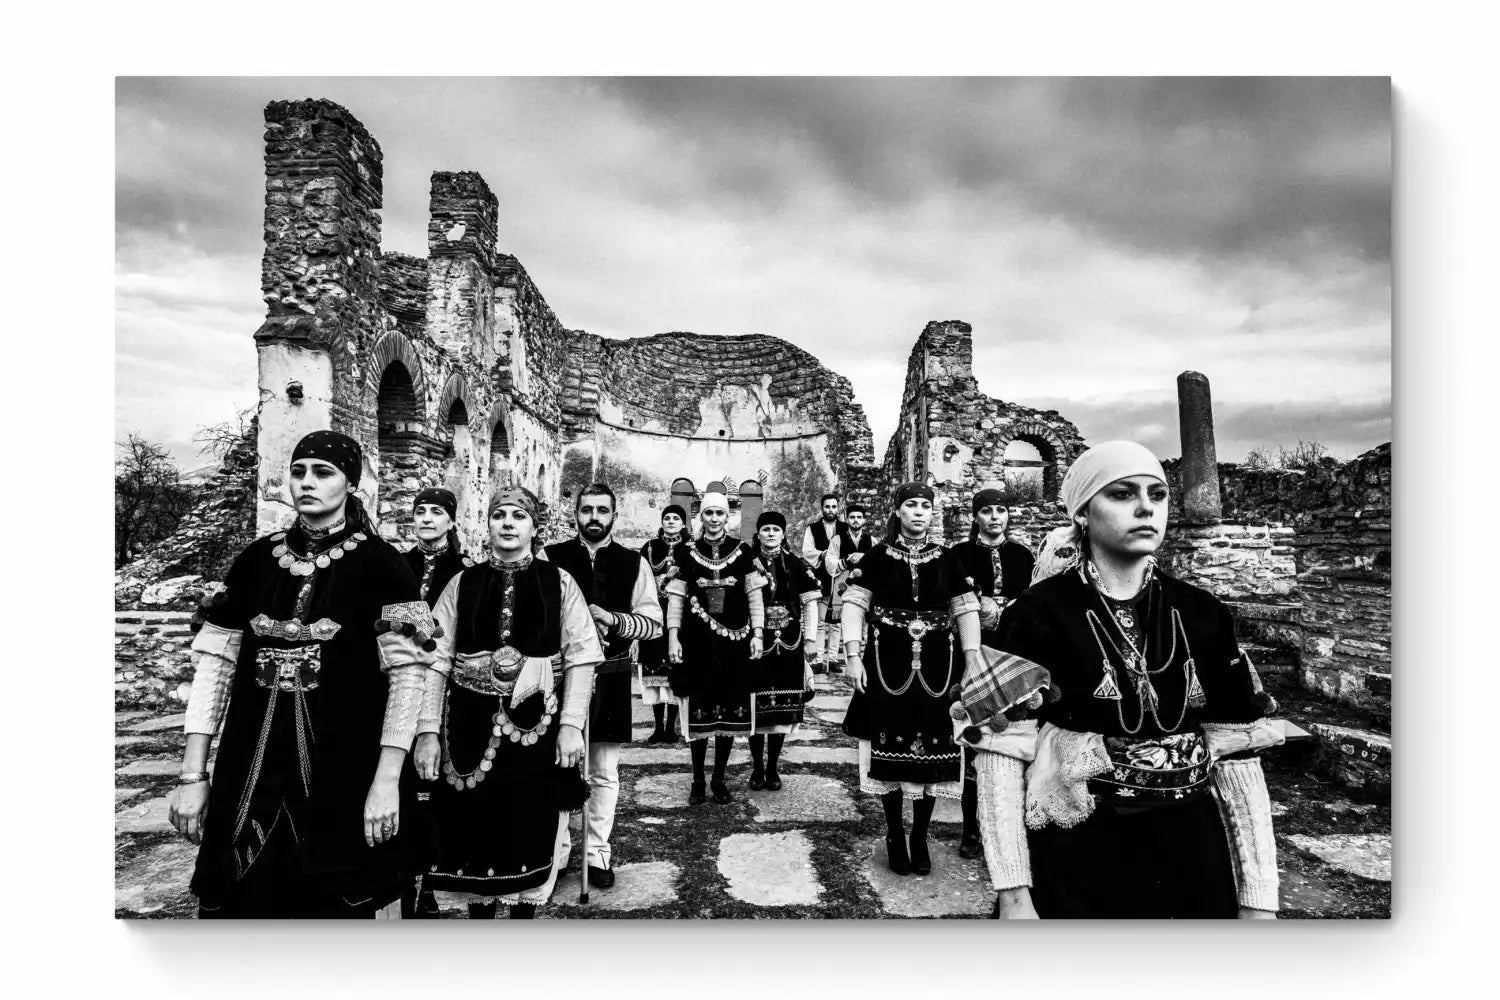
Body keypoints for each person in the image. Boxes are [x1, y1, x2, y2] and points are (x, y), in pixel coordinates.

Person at [958, 441, 1282, 919]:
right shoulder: (1036, 613)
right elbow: (1002, 752)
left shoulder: (1203, 613)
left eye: (1158, 494)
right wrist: (1013, 892)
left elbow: (1238, 750)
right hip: (1079, 844)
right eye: (1122, 494)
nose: (1146, 507)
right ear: (1084, 512)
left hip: (1192, 847)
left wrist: (1259, 899)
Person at [169, 430, 433, 918]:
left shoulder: (383, 566)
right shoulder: (254, 561)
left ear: (351, 484)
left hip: (344, 770)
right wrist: (192, 774)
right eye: (298, 471)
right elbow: (216, 668)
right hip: (250, 762)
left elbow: (408, 680)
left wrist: (386, 782)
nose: (306, 482)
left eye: (323, 472)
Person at [411, 486, 602, 918]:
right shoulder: (463, 583)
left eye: (519, 516)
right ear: (488, 525)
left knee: (527, 827)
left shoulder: (559, 582)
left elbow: (583, 656)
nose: (509, 523)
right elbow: (435, 659)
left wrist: (572, 724)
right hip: (466, 726)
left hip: (537, 727)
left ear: (535, 527)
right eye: (500, 515)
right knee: (472, 828)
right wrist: (426, 731)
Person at [840, 482, 983, 877]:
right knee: (889, 751)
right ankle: (893, 834)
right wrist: (853, 657)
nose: (919, 512)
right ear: (897, 512)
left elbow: (966, 610)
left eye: (925, 506)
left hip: (940, 665)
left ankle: (920, 835)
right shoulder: (876, 557)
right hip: (887, 662)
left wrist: (972, 661)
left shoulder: (948, 559)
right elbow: (854, 605)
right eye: (911, 506)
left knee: (935, 748)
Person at [543, 484, 663, 890]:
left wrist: (614, 620)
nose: (594, 517)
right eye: (587, 509)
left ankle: (596, 852)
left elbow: (653, 623)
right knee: (555, 766)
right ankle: (556, 850)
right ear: (574, 512)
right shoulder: (551, 558)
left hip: (610, 677)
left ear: (615, 514)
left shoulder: (634, 562)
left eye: (602, 510)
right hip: (558, 680)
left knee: (604, 771)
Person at [948, 488, 1036, 860]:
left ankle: (1011, 824)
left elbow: (1034, 598)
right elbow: (950, 600)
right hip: (974, 655)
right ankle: (972, 829)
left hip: (1014, 655)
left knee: (1014, 737)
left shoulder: (1022, 555)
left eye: (1001, 510)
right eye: (987, 511)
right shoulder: (959, 556)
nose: (995, 517)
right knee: (975, 738)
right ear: (976, 517)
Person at [665, 491, 767, 805]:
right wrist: (672, 636)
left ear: (727, 517)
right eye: (708, 513)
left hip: (734, 642)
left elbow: (754, 596)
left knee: (727, 714)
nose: (713, 519)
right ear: (701, 516)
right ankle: (697, 778)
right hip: (697, 643)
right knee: (699, 711)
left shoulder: (743, 551)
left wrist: (758, 633)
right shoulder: (685, 552)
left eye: (719, 514)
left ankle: (719, 778)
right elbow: (676, 598)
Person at [399, 487, 473, 917]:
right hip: (397, 684)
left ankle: (430, 880)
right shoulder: (396, 567)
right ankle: (399, 875)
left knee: (434, 788)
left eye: (436, 513)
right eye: (420, 511)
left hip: (444, 690)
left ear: (451, 522)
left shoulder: (463, 572)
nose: (427, 519)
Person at [747, 510, 820, 791]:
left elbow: (810, 603)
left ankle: (773, 768)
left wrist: (811, 640)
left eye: (775, 529)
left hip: (790, 641)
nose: (770, 534)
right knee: (756, 705)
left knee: (783, 707)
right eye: (765, 529)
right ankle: (756, 767)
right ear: (759, 533)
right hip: (756, 642)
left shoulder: (796, 564)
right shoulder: (747, 563)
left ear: (783, 533)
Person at [639, 505, 687, 744]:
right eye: (667, 518)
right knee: (653, 671)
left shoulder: (689, 550)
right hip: (654, 616)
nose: (671, 521)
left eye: (676, 518)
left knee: (675, 672)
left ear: (684, 524)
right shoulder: (649, 548)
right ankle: (658, 728)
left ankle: (672, 728)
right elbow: (639, 580)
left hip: (679, 619)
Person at [800, 493, 851, 668]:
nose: (831, 510)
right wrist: (823, 554)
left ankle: (834, 660)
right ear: (822, 508)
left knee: (837, 622)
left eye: (834, 507)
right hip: (821, 576)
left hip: (840, 578)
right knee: (821, 621)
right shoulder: (812, 528)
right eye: (827, 506)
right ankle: (819, 660)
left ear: (838, 508)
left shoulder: (845, 528)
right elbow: (807, 551)